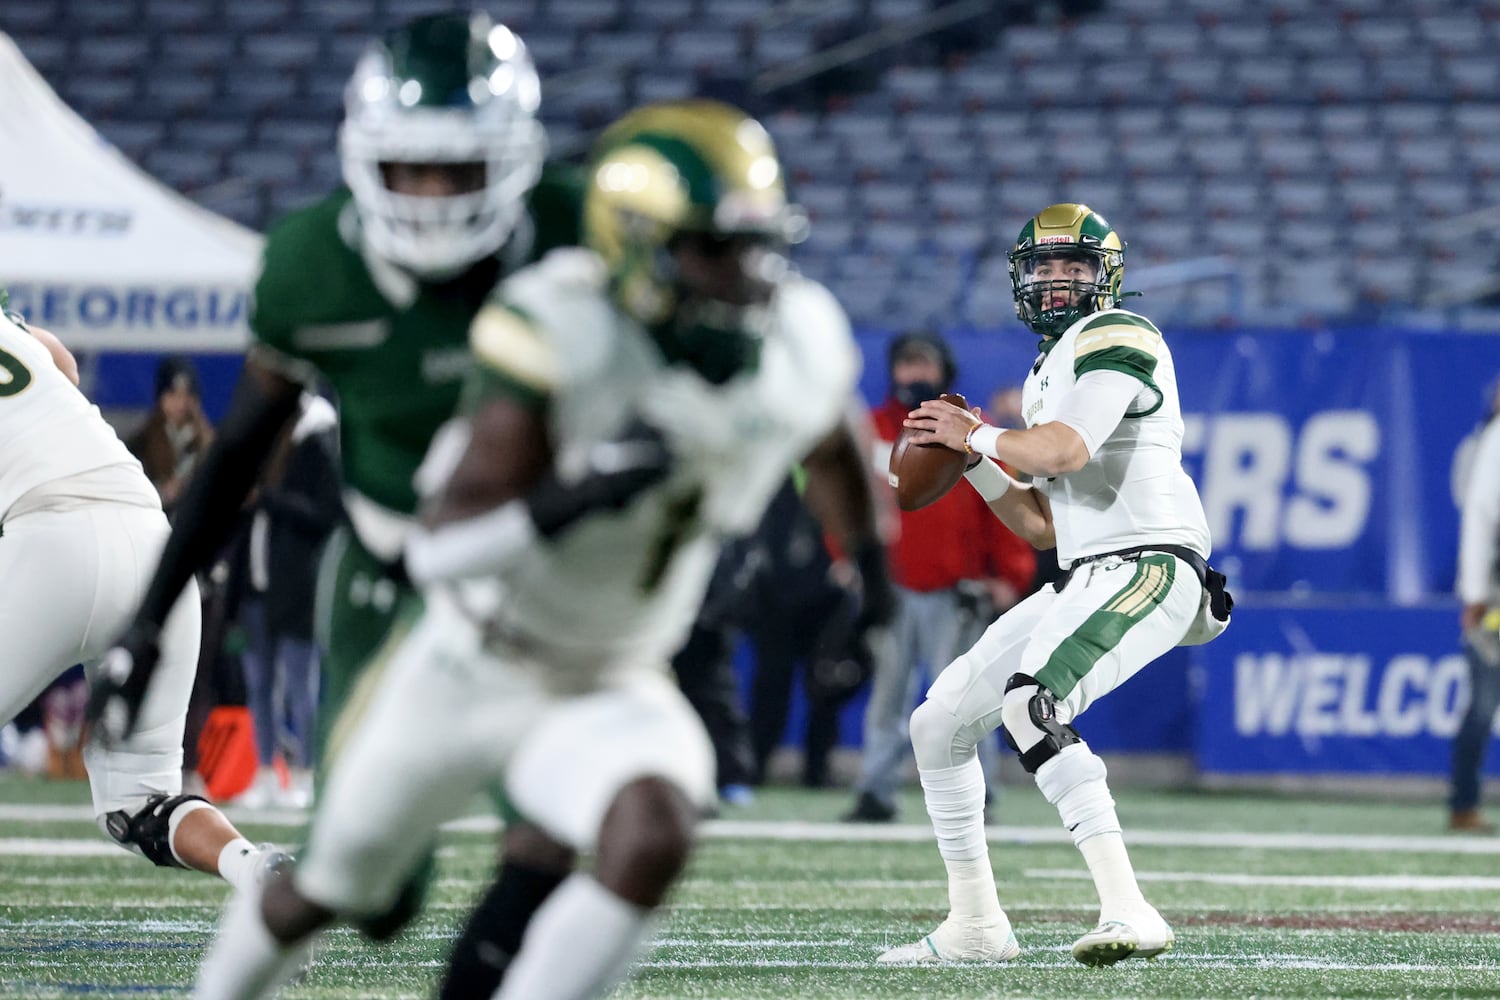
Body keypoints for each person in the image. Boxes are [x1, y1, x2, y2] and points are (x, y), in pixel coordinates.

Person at [181, 98, 891, 1000]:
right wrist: (574, 494)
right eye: (714, 248)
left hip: (612, 675)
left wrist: (874, 589)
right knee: (334, 890)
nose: (745, 278)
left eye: (759, 247)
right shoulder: (561, 330)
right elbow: (440, 555)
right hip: (469, 659)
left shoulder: (800, 333)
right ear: (636, 242)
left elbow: (835, 447)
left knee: (655, 829)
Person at [86, 11, 585, 992]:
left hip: (539, 581)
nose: (435, 197)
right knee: (372, 888)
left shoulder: (580, 239)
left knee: (571, 812)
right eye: (413, 169)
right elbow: (237, 456)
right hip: (385, 576)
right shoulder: (316, 266)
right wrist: (144, 621)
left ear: (515, 162)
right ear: (365, 159)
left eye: (460, 170)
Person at [878, 203, 1231, 966]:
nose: (1057, 279)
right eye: (1043, 266)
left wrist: (978, 435)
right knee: (936, 727)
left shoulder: (1117, 335)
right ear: (1020, 278)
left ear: (1106, 278)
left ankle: (1130, 909)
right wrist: (976, 463)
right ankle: (975, 925)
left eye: (1074, 266)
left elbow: (1064, 453)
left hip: (1151, 561)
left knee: (1030, 704)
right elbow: (1043, 524)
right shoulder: (1049, 368)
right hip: (1089, 570)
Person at [0, 305, 277, 891]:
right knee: (140, 800)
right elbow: (63, 365)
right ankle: (251, 867)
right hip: (154, 544)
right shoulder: (17, 331)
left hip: (52, 541)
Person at [844, 331, 1035, 823]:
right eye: (906, 364)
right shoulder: (875, 429)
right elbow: (848, 502)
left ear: (942, 371)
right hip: (891, 584)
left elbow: (1004, 503)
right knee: (888, 698)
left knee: (966, 701)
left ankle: (980, 794)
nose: (914, 375)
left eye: (923, 365)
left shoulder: (975, 432)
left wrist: (1008, 576)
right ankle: (876, 790)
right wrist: (848, 561)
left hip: (958, 589)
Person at [236, 394, 340, 808]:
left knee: (301, 683)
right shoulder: (268, 443)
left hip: (297, 586)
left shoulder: (318, 442)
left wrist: (268, 499)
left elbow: (325, 512)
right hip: (257, 584)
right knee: (259, 684)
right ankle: (265, 772)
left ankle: (306, 772)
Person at [1450, 382, 1500, 833]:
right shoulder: (1496, 438)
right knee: (1483, 703)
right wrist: (1476, 592)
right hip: (1496, 595)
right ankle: (1464, 803)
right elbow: (1481, 515)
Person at [127, 356, 214, 515]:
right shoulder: (140, 443)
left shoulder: (211, 445)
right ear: (161, 398)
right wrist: (162, 492)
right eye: (173, 395)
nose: (181, 404)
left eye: (187, 395)